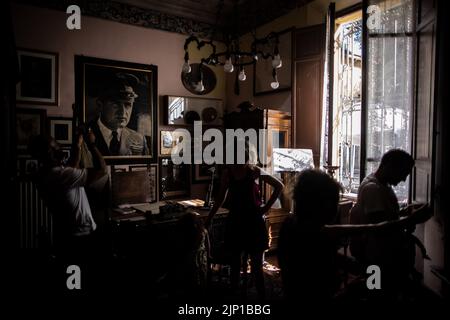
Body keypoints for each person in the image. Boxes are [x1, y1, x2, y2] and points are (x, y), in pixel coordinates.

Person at [277, 168, 431, 303]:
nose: (336, 209)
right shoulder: (312, 232)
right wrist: (409, 220)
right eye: (334, 202)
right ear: (321, 205)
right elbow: (374, 228)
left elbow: (327, 255)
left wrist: (364, 270)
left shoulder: (294, 224)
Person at [205, 142, 284, 300]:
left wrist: (265, 208)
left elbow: (279, 186)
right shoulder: (228, 173)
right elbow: (221, 197)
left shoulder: (253, 171)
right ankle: (235, 299)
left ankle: (262, 302)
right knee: (235, 266)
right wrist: (210, 217)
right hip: (236, 221)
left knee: (256, 267)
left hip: (253, 222)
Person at [348, 149, 418, 296]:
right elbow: (380, 228)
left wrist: (402, 212)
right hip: (375, 258)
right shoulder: (373, 189)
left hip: (379, 257)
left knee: (378, 293)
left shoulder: (379, 184)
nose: (404, 179)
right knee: (376, 295)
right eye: (403, 173)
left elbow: (381, 216)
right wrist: (412, 219)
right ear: (390, 166)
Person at [28, 129, 107, 261]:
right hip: (80, 237)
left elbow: (73, 168)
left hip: (67, 234)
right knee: (80, 275)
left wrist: (77, 145)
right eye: (56, 145)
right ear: (49, 152)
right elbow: (102, 170)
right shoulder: (59, 174)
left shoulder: (45, 174)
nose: (60, 147)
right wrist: (92, 144)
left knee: (73, 274)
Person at [89, 72, 149, 156]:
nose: (123, 112)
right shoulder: (85, 135)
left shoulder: (139, 139)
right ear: (100, 105)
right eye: (116, 105)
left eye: (128, 105)